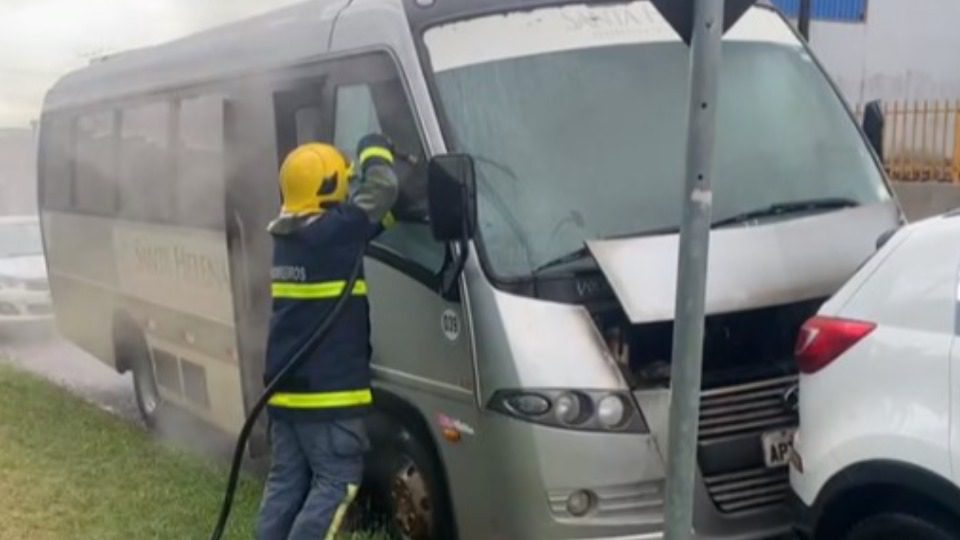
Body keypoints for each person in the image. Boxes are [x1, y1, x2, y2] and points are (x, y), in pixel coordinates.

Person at [256, 134, 399, 540]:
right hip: (329, 397)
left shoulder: (290, 237)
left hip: (285, 394)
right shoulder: (335, 232)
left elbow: (368, 223)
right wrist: (375, 147)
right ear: (328, 186)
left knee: (286, 484)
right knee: (336, 482)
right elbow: (384, 189)